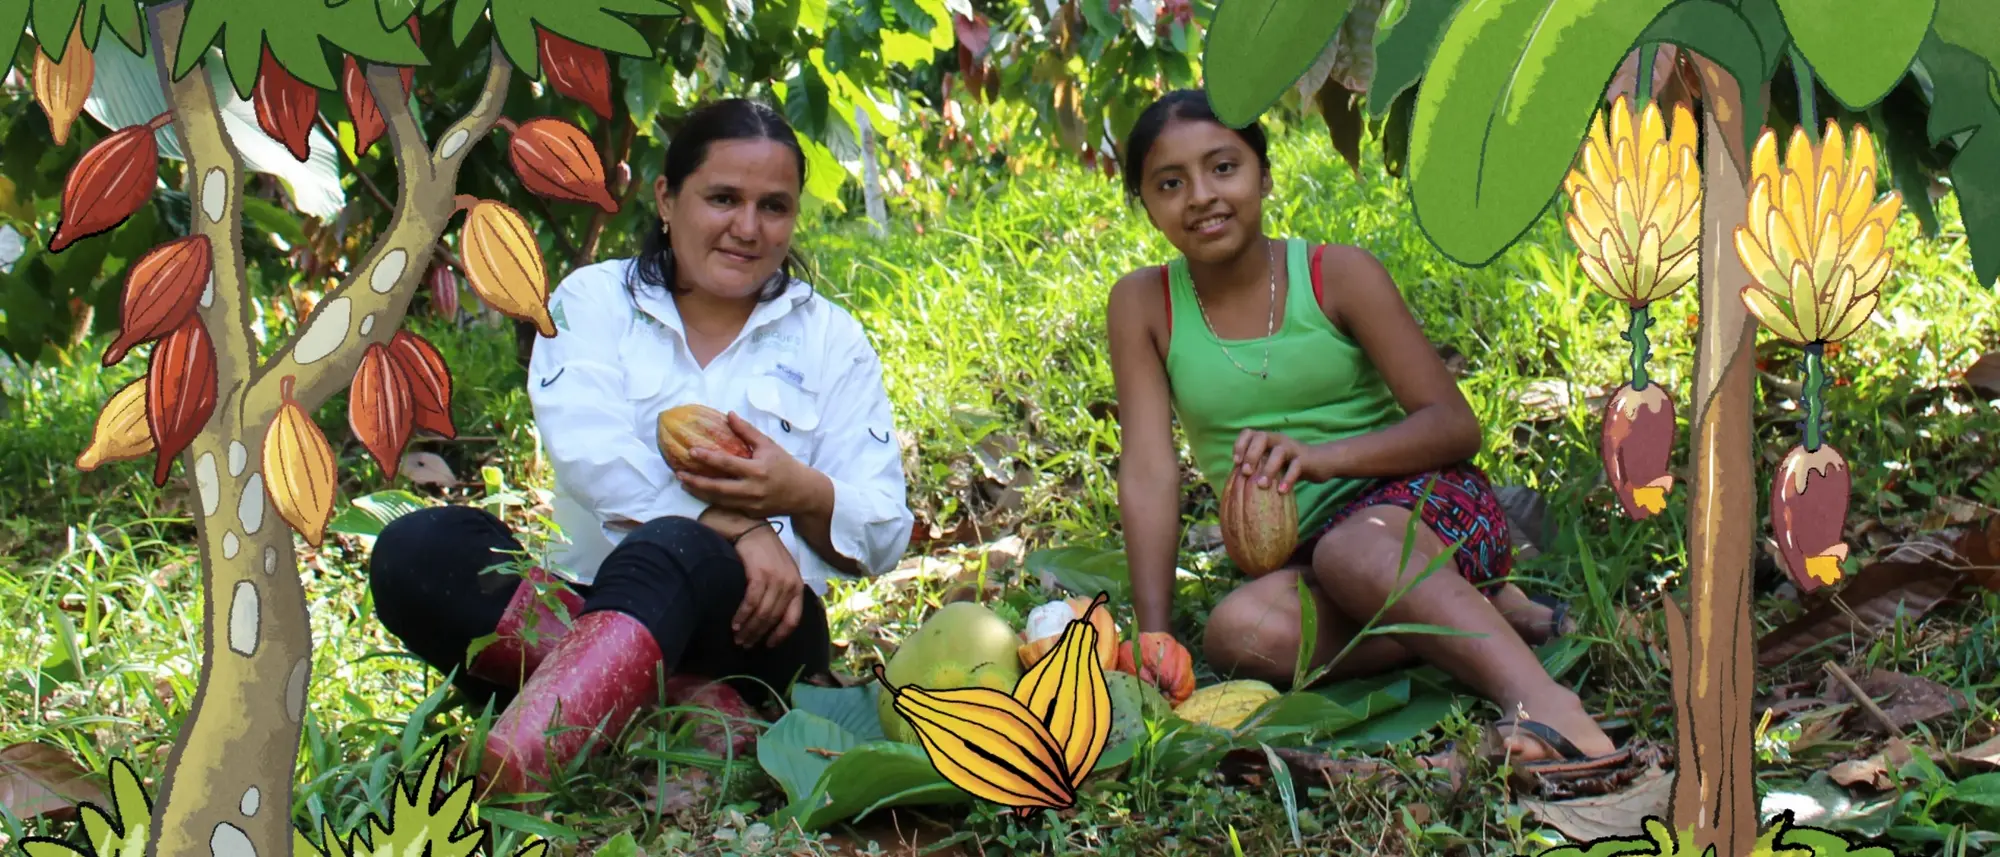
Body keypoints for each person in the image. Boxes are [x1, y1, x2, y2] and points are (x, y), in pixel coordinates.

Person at [366, 98, 915, 798]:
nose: (747, 228)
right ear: (666, 197)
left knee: (677, 547)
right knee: (417, 548)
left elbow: (884, 530)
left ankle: (534, 756)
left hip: (758, 628)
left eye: (773, 207)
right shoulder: (592, 301)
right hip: (592, 601)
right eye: (723, 198)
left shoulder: (829, 338)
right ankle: (682, 706)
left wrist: (797, 492)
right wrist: (740, 521)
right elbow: (591, 453)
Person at [1102, 89, 1622, 770]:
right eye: (1170, 183)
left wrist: (1322, 459)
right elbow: (1147, 469)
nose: (1201, 195)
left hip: (1422, 506)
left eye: (1222, 167)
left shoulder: (1335, 274)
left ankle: (1546, 704)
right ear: (1146, 203)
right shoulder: (1143, 303)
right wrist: (1156, 635)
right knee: (1239, 634)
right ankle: (1492, 611)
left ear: (1263, 173)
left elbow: (1454, 426)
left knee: (1352, 552)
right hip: (1297, 551)